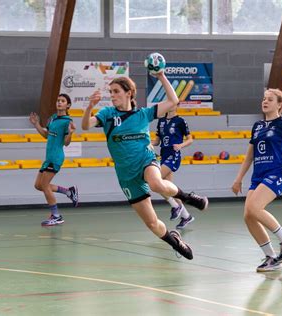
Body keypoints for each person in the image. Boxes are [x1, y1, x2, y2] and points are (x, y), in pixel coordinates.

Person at [82, 73, 208, 260]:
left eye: (116, 91)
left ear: (129, 93)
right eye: (111, 92)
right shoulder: (108, 115)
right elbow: (85, 126)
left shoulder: (143, 114)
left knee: (156, 184)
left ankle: (188, 198)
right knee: (151, 224)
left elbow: (173, 100)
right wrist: (90, 107)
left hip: (145, 161)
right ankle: (175, 241)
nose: (112, 95)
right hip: (127, 176)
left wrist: (161, 75)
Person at [231, 89, 282, 272]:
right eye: (264, 98)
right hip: (258, 175)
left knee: (255, 208)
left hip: (276, 173)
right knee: (248, 215)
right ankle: (271, 257)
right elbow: (249, 157)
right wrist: (239, 179)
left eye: (270, 99)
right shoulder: (257, 126)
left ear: (279, 104)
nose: (265, 101)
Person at [29, 93, 79, 226]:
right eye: (58, 100)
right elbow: (46, 135)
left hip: (56, 157)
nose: (59, 102)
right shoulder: (52, 118)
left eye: (62, 101)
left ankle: (56, 216)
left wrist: (71, 133)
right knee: (38, 185)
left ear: (68, 105)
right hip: (48, 158)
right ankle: (68, 192)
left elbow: (67, 143)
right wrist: (36, 124)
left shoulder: (67, 121)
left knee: (45, 185)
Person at [152, 109, 196, 229]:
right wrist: (148, 144)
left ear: (176, 105)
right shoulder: (161, 121)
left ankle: (175, 206)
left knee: (155, 180)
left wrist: (180, 145)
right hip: (164, 155)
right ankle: (186, 216)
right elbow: (157, 141)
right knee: (169, 188)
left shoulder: (180, 121)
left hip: (173, 155)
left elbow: (190, 139)